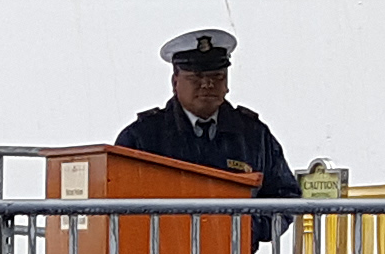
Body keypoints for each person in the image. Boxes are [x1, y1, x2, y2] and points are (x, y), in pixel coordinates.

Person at [115, 28, 300, 200]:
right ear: (175, 82)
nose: (207, 84)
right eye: (196, 77)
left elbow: (285, 195)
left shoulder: (254, 135)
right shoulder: (142, 137)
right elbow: (118, 199)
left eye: (217, 76)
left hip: (236, 235)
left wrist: (246, 226)